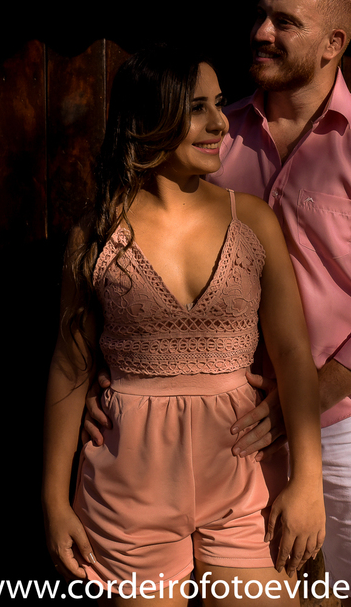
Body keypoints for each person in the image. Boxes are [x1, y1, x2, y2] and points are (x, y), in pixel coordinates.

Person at [87, 0, 351, 607]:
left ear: (333, 43)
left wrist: (306, 397)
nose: (261, 32)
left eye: (285, 22)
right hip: (230, 426)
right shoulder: (210, 137)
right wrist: (108, 387)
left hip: (350, 422)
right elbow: (127, 255)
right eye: (260, 15)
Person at [42, 45, 325, 606]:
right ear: (148, 119)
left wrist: (308, 483)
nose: (220, 123)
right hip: (128, 484)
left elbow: (294, 355)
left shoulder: (254, 220)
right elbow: (70, 367)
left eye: (219, 104)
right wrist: (53, 499)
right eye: (197, 108)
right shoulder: (96, 235)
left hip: (243, 477)